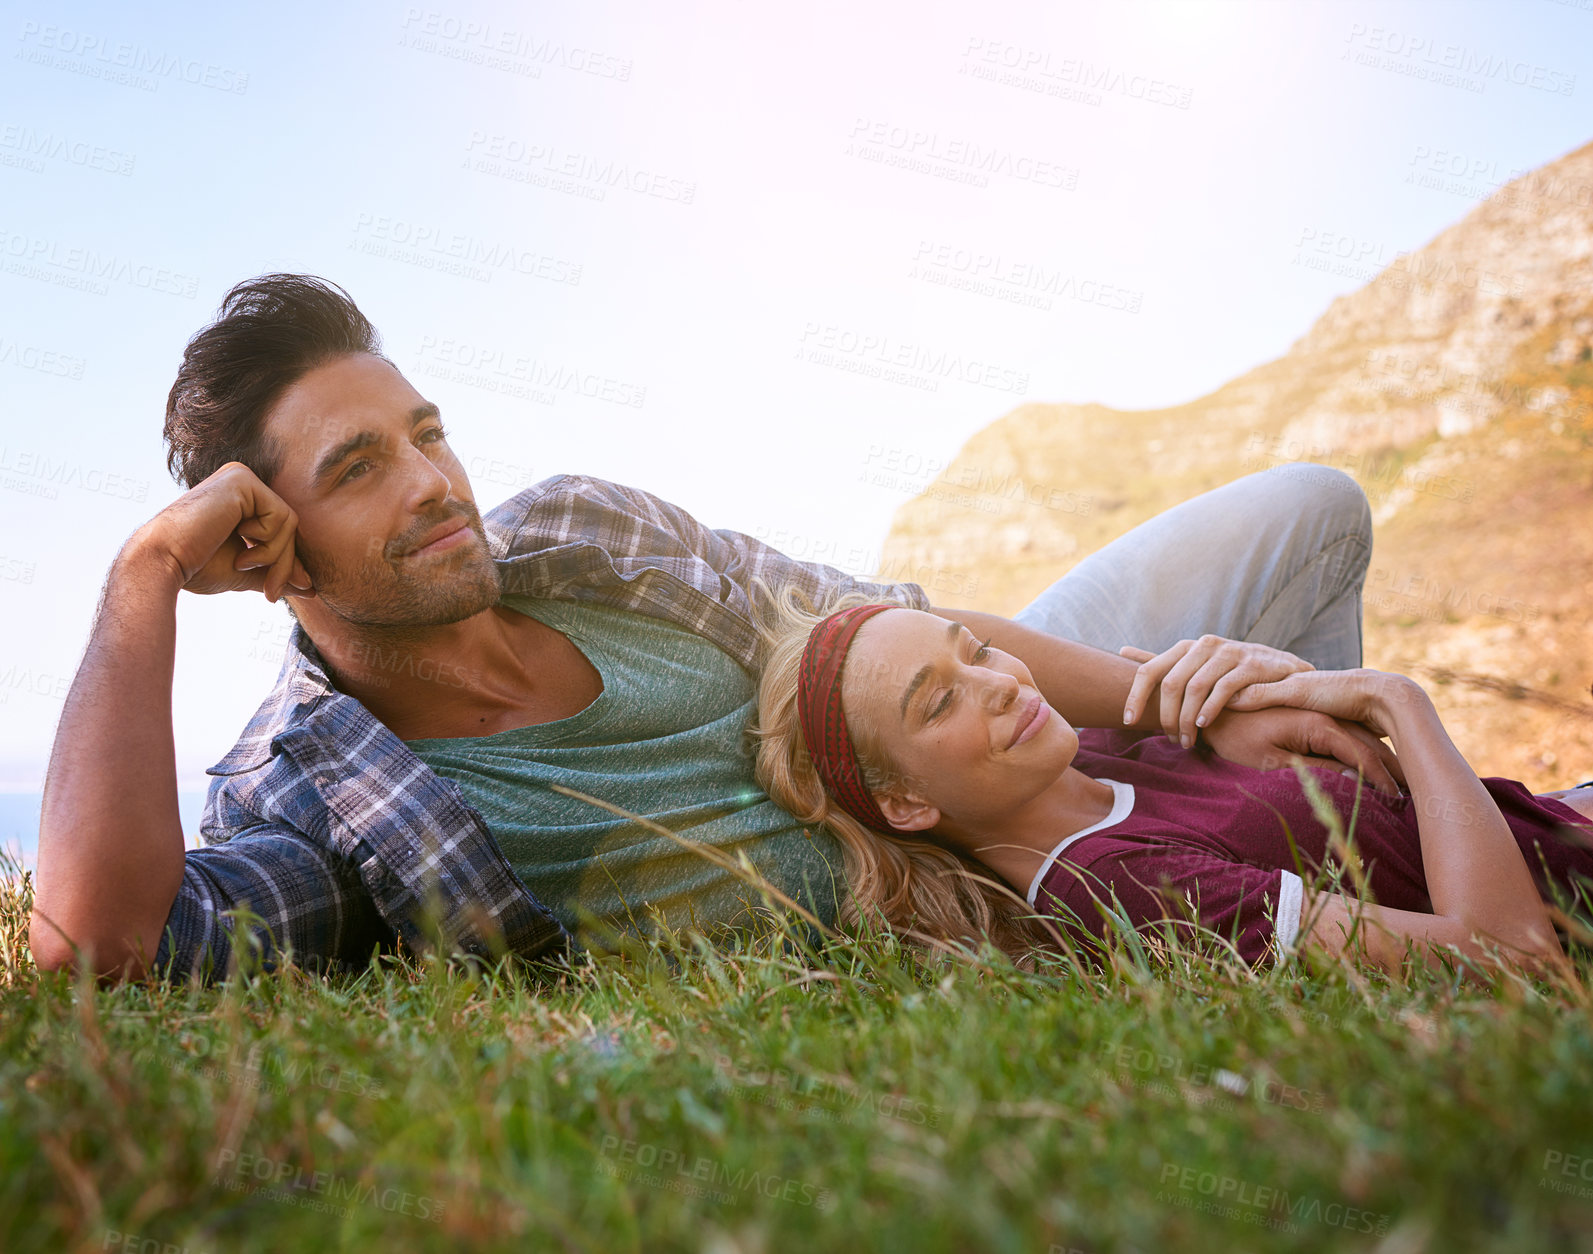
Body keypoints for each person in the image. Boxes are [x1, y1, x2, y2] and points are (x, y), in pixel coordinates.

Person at [29, 273, 1394, 983]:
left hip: (982, 723)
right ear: (267, 552)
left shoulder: (576, 530)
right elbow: (104, 944)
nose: (436, 482)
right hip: (1003, 863)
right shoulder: (328, 800)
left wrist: (1168, 698)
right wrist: (143, 572)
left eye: (425, 433)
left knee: (1307, 510)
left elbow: (876, 624)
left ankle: (1294, 805)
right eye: (357, 469)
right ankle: (1324, 896)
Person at [749, 593, 1593, 981]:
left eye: (974, 650)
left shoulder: (1094, 750)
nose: (999, 682)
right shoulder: (1122, 886)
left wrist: (1278, 687)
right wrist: (1396, 700)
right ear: (904, 803)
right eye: (939, 701)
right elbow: (1509, 960)